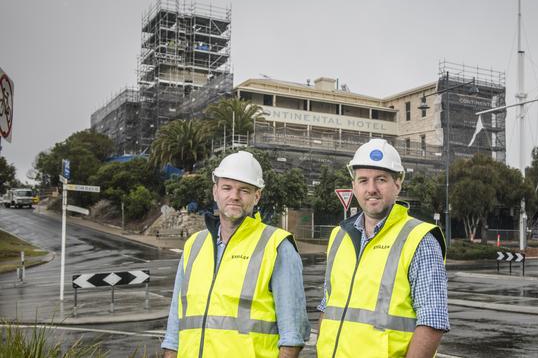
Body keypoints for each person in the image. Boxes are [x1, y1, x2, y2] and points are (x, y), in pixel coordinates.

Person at [161, 151, 310, 358]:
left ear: (257, 196)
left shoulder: (277, 246)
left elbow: (292, 338)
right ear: (215, 192)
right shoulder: (194, 245)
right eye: (227, 188)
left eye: (244, 190)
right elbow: (174, 329)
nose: (234, 196)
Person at [316, 138, 449, 357]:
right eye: (363, 180)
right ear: (354, 186)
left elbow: (432, 321)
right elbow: (327, 304)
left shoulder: (419, 239)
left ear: (398, 183)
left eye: (381, 179)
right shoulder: (338, 237)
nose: (372, 189)